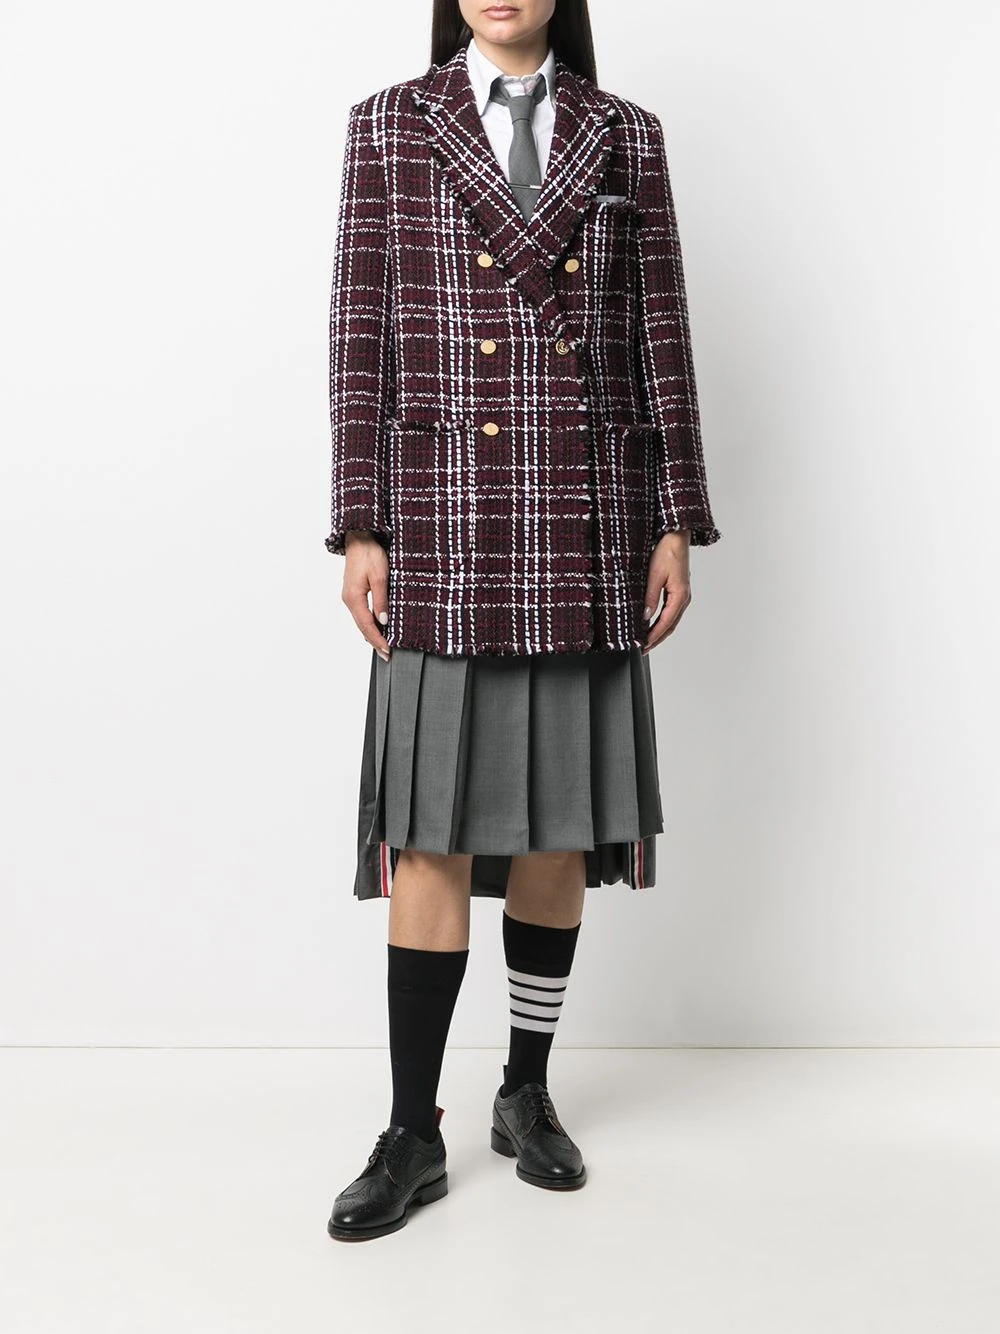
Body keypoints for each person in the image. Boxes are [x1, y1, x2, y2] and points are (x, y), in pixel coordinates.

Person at [325, 0, 720, 1242]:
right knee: (429, 836)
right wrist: (359, 523)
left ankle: (525, 1090)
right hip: (443, 510)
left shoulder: (626, 133)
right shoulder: (389, 126)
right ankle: (411, 1130)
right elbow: (359, 334)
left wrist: (675, 517)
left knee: (555, 830)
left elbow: (660, 333)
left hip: (584, 514)